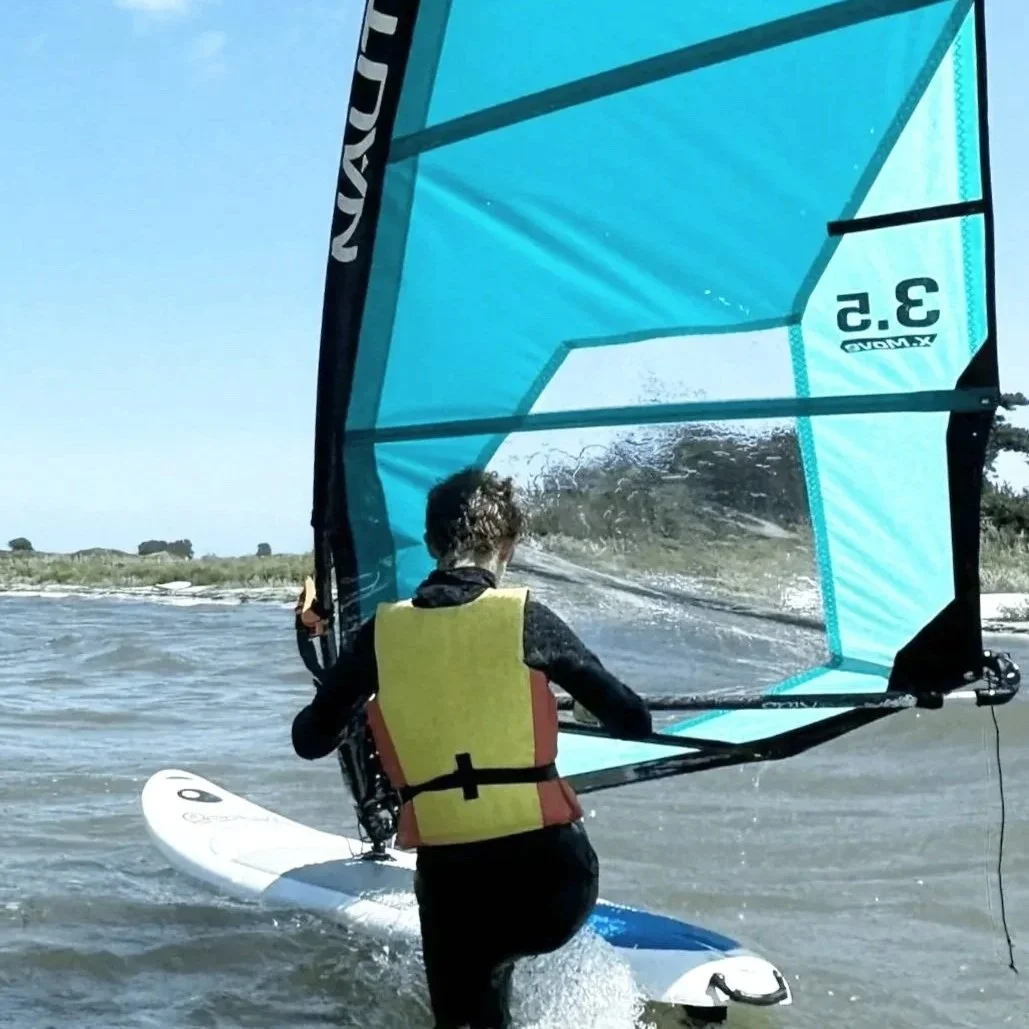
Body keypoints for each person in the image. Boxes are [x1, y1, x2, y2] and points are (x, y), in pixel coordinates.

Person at [291, 467, 652, 1029]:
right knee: (507, 942)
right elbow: (632, 719)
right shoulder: (524, 617)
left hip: (456, 889)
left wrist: (345, 690)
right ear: (505, 545)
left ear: (433, 546)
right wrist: (579, 705)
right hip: (554, 890)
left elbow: (310, 741)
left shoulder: (381, 637)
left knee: (469, 990)